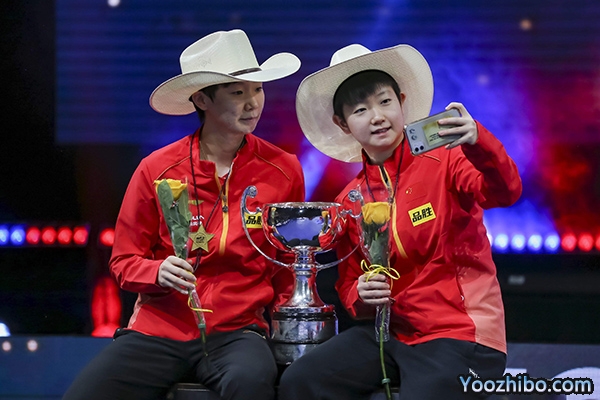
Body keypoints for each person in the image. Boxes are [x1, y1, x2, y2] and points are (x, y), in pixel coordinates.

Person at [63, 29, 305, 400]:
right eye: (237, 93)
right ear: (202, 99)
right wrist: (156, 272)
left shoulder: (283, 169)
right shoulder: (156, 169)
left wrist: (291, 327)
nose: (252, 103)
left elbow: (288, 263)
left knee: (251, 383)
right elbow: (123, 261)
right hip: (159, 330)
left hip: (238, 333)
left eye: (257, 90)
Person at [278, 43, 522, 399]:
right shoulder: (351, 199)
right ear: (342, 124)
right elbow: (349, 284)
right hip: (389, 336)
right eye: (360, 110)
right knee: (300, 382)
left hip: (458, 332)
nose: (377, 116)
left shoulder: (448, 160)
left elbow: (505, 192)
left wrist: (478, 142)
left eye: (385, 101)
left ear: (402, 102)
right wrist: (360, 294)